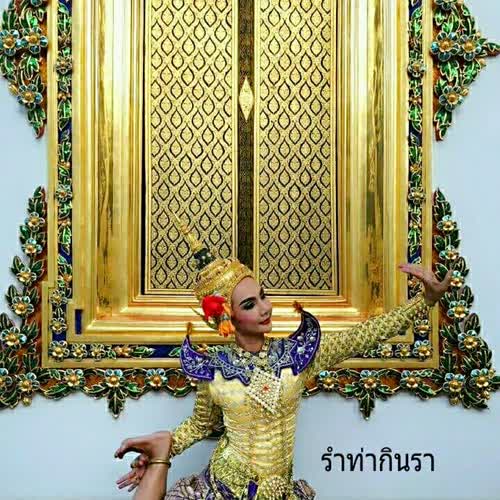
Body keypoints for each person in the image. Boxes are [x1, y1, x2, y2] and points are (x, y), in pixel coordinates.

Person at [116, 222, 451, 499]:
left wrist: (425, 301)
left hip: (279, 491)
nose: (265, 308)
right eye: (249, 305)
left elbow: (363, 335)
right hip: (226, 488)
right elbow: (201, 425)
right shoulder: (214, 369)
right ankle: (159, 448)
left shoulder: (298, 354)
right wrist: (165, 451)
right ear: (228, 318)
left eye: (263, 296)